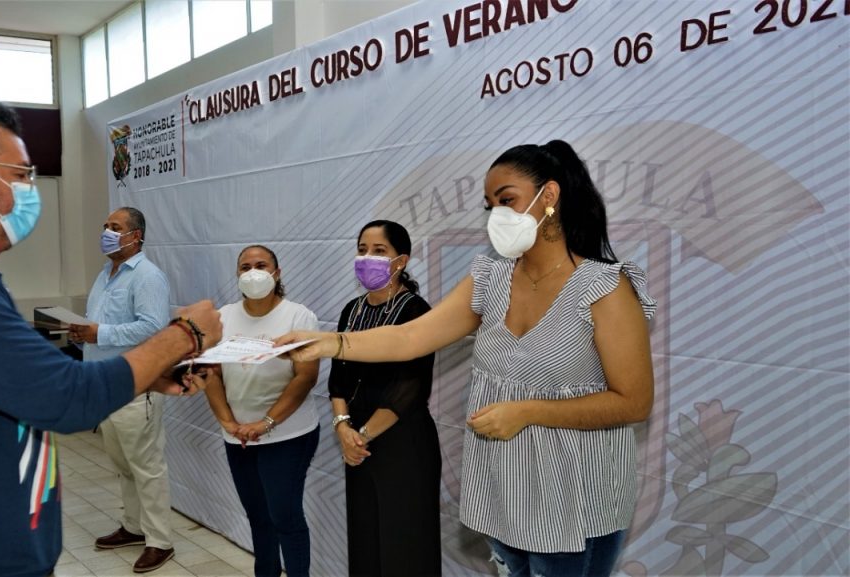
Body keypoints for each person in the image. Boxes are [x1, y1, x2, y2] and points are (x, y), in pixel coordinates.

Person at [279, 140, 656, 577]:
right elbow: (410, 337)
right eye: (490, 204)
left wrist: (529, 411)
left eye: (507, 200)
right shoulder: (489, 276)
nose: (497, 214)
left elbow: (634, 401)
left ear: (549, 197)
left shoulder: (605, 287)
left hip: (576, 498)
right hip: (504, 491)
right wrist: (331, 343)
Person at [0, 101, 222, 577]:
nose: (30, 191)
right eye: (21, 175)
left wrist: (151, 375)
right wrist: (186, 334)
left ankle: (154, 534)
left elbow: (34, 382)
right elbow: (67, 399)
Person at [191, 245, 320, 577]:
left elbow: (305, 377)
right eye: (244, 266)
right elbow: (212, 372)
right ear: (237, 275)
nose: (252, 271)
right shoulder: (223, 318)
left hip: (287, 434)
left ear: (277, 273)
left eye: (261, 265)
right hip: (238, 436)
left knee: (285, 517)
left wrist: (266, 423)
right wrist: (227, 421)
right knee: (258, 517)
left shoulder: (298, 316)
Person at [328, 220, 440, 576]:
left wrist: (361, 436)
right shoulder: (352, 310)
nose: (367, 258)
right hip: (356, 442)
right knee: (365, 539)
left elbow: (410, 387)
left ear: (401, 260)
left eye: (379, 251)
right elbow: (338, 377)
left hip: (401, 440)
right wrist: (343, 426)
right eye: (362, 250)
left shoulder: (416, 312)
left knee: (405, 544)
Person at [69, 206, 176, 574]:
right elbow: (101, 327)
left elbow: (153, 328)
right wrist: (82, 331)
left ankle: (160, 540)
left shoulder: (147, 277)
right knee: (123, 464)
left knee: (147, 467)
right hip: (103, 385)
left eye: (115, 227)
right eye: (105, 226)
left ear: (136, 236)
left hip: (135, 386)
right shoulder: (105, 274)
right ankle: (133, 526)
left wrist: (100, 332)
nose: (107, 232)